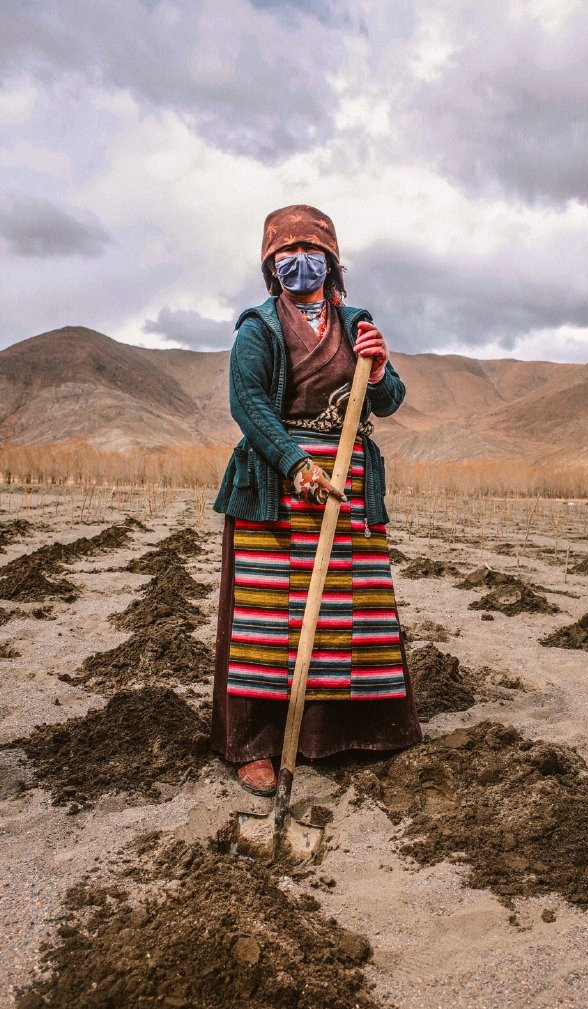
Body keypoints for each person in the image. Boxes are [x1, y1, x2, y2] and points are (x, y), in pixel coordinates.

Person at [210, 204, 422, 796]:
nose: (298, 263)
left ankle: (337, 735)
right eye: (284, 254)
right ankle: (254, 746)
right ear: (269, 265)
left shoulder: (356, 321)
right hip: (274, 485)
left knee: (345, 610)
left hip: (348, 479)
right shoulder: (258, 326)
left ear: (332, 261)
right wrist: (297, 464)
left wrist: (378, 372)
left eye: (311, 252)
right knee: (265, 617)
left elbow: (390, 399)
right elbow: (246, 403)